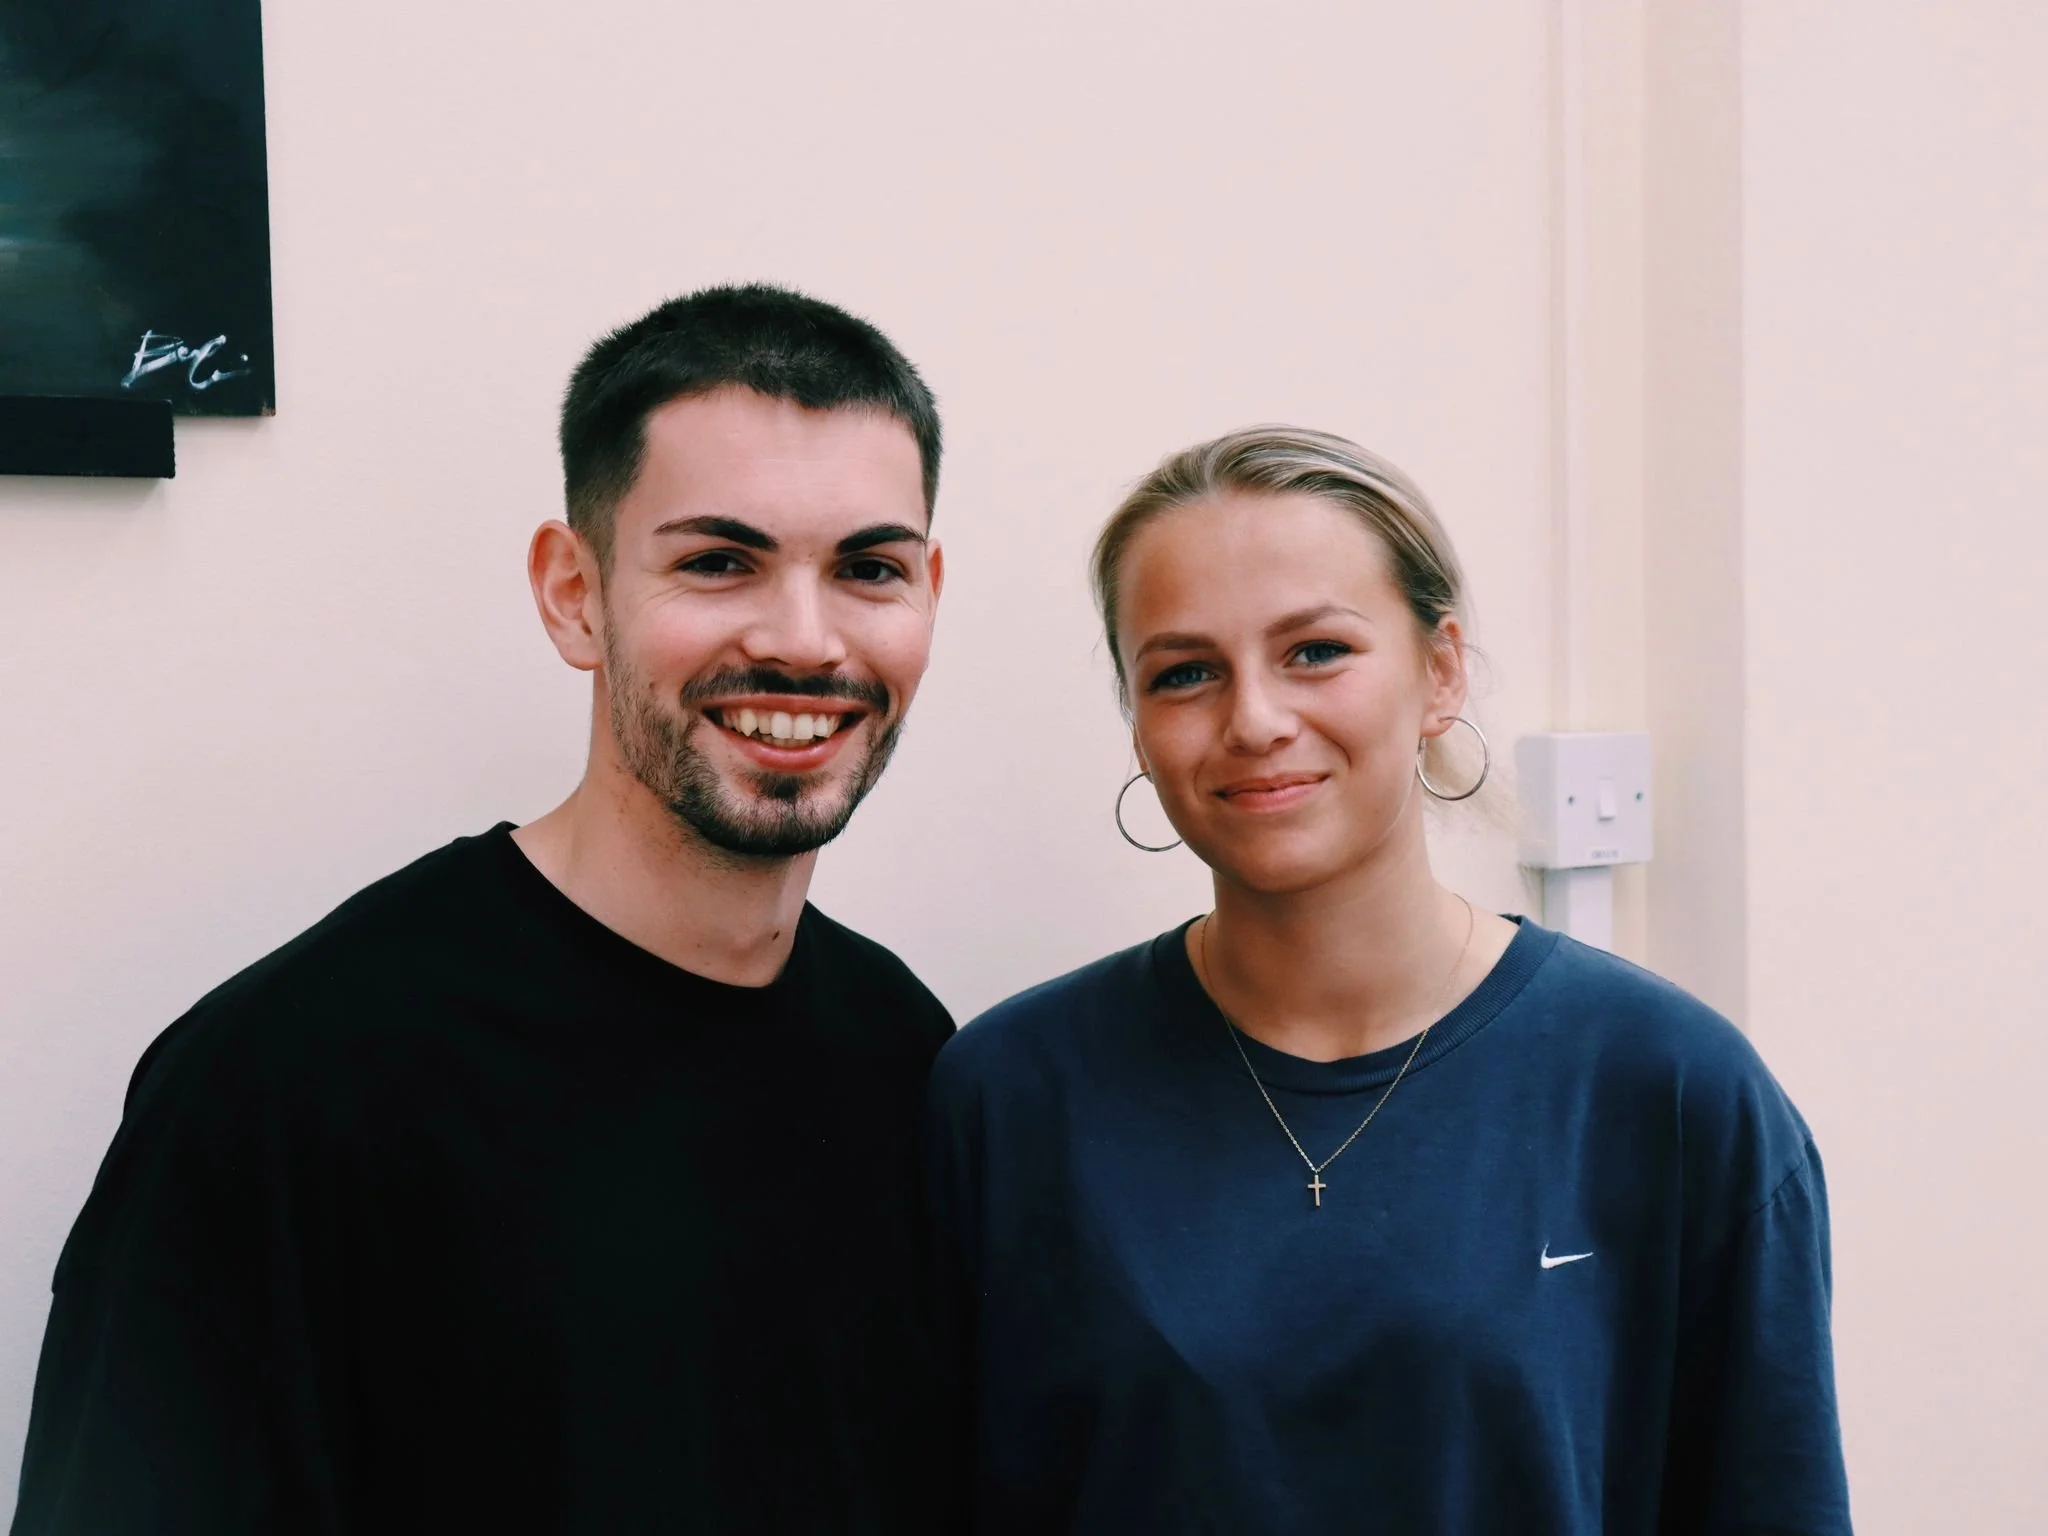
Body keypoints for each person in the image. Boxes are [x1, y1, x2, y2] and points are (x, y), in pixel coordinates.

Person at [13, 284, 963, 1534]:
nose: (804, 639)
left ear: (928, 596)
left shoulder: (913, 1051)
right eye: (719, 561)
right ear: (573, 593)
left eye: (868, 569)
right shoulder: (284, 1083)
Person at [927, 426, 1852, 1534]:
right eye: (1184, 673)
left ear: (1440, 671)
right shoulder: (1013, 1095)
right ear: (1137, 721)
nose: (1255, 720)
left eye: (1315, 650)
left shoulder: (1667, 1089)